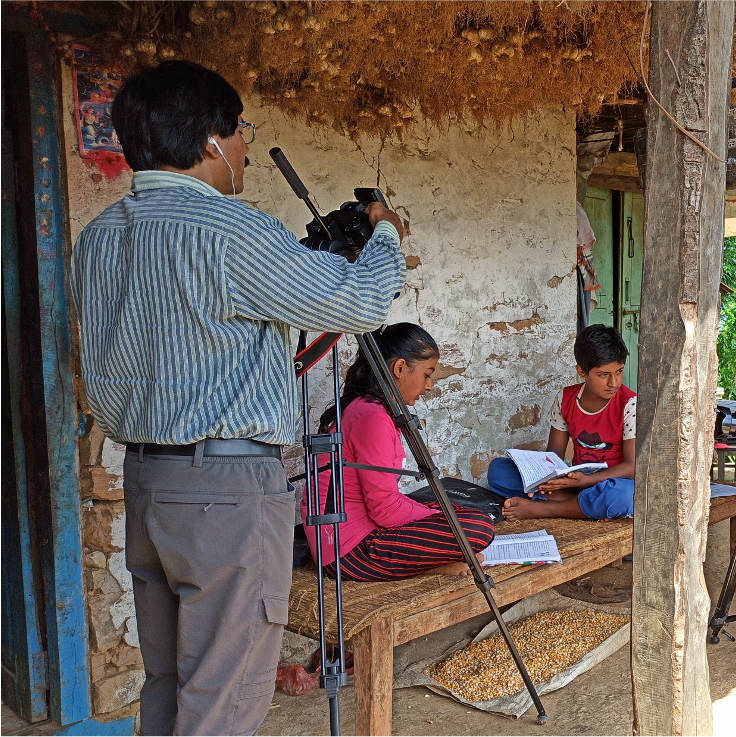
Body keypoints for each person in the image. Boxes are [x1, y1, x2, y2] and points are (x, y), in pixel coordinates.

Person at [70, 61, 408, 735]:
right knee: (226, 695)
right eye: (240, 130)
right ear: (211, 140)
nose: (246, 147)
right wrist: (387, 233)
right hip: (226, 488)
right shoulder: (230, 230)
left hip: (147, 480)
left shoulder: (98, 238)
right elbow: (364, 299)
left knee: (171, 683)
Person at [305, 323, 495, 580]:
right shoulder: (373, 418)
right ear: (400, 368)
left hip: (358, 533)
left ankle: (436, 559)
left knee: (460, 511)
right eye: (427, 374)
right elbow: (386, 510)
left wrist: (440, 514)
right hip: (350, 551)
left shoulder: (371, 408)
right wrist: (437, 517)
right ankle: (433, 564)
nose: (429, 386)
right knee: (478, 527)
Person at [488, 324, 637, 520]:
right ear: (582, 371)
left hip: (610, 483)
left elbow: (633, 465)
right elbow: (553, 456)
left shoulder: (630, 404)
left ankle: (544, 509)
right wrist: (546, 481)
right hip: (574, 484)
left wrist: (586, 481)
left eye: (619, 371)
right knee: (498, 470)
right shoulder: (566, 398)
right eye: (603, 374)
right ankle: (578, 505)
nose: (614, 382)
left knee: (624, 495)